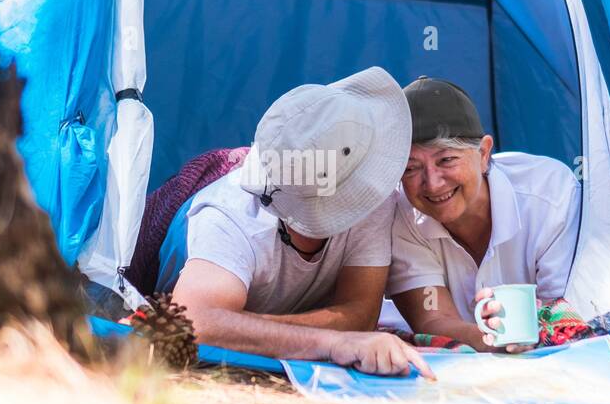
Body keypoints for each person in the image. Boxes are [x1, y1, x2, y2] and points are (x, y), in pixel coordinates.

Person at [162, 67, 436, 378]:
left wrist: (242, 325)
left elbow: (360, 315)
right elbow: (194, 320)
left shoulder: (371, 194)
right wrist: (330, 342)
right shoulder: (229, 214)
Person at [388, 76, 581, 353]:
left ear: (484, 153)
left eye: (446, 160)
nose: (432, 183)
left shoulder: (550, 195)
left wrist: (527, 335)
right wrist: (493, 340)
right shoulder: (402, 212)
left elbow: (564, 310)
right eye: (410, 168)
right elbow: (432, 319)